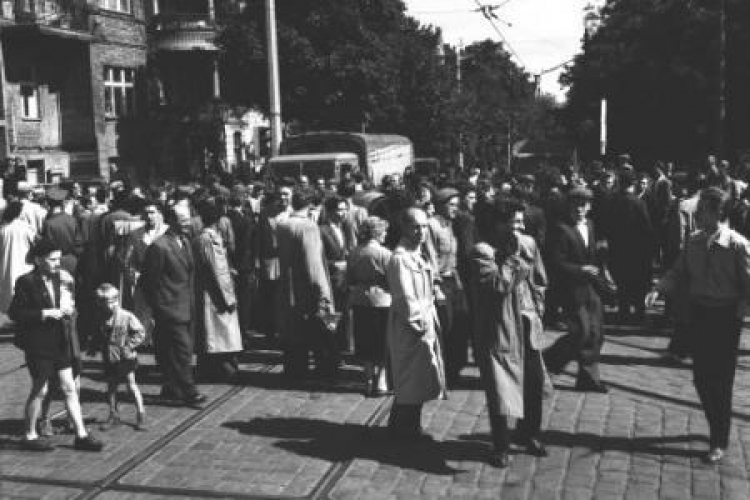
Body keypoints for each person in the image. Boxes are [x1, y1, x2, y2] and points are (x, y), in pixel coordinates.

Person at [646, 187, 750, 464]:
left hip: (726, 318)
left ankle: (719, 439)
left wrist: (739, 314)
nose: (697, 213)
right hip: (700, 315)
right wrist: (658, 289)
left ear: (718, 212)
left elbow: (748, 286)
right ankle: (717, 427)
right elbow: (678, 271)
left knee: (721, 381)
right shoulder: (693, 241)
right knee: (701, 378)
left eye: (703, 209)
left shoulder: (738, 244)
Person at [470, 199, 548, 468]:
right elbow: (497, 285)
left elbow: (539, 279)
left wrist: (538, 308)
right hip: (499, 328)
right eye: (513, 222)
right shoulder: (483, 251)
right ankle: (500, 444)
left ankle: (530, 433)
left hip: (527, 322)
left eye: (520, 222)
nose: (519, 227)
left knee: (534, 383)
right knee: (500, 388)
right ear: (497, 224)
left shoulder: (527, 243)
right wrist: (513, 259)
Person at [9, 238, 104, 452]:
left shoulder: (60, 278)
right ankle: (30, 434)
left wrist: (68, 308)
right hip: (39, 344)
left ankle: (81, 434)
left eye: (58, 259)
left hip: (60, 340)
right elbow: (15, 312)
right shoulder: (26, 281)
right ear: (38, 259)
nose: (56, 263)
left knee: (70, 387)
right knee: (40, 390)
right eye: (52, 259)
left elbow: (67, 299)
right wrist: (44, 313)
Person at [386, 208, 446, 442]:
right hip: (411, 328)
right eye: (416, 227)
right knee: (409, 381)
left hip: (425, 323)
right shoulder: (400, 259)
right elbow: (404, 299)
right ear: (405, 228)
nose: (421, 232)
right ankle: (403, 432)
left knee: (420, 380)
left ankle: (409, 427)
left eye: (424, 227)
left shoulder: (419, 254)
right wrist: (420, 326)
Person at [142, 196, 207, 407]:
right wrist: (158, 308)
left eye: (188, 218)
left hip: (186, 306)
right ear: (172, 220)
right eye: (183, 219)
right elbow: (148, 281)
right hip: (169, 308)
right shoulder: (159, 247)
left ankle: (171, 386)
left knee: (175, 350)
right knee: (182, 350)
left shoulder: (185, 241)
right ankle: (189, 391)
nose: (188, 222)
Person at [544, 187, 608, 393]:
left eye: (584, 205)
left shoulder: (590, 225)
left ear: (589, 207)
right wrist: (580, 270)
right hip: (570, 288)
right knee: (580, 331)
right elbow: (555, 262)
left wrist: (602, 266)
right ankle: (546, 364)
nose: (580, 209)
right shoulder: (560, 228)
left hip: (591, 286)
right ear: (569, 205)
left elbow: (595, 254)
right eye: (576, 204)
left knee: (596, 332)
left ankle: (588, 378)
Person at [276, 189, 339, 380]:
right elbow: (313, 265)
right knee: (321, 329)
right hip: (306, 289)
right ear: (311, 206)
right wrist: (323, 292)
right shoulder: (309, 227)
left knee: (294, 333)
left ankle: (294, 370)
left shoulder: (282, 224)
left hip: (288, 286)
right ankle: (323, 371)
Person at [193, 201, 243, 383]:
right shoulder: (210, 239)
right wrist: (229, 298)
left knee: (211, 335)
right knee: (220, 335)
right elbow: (218, 271)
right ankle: (223, 370)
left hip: (206, 292)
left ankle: (210, 368)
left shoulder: (200, 237)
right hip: (215, 296)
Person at [89, 283, 146, 431]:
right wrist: (93, 346)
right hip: (109, 357)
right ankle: (113, 414)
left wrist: (129, 345)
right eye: (104, 303)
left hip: (125, 357)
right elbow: (97, 334)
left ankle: (140, 413)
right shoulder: (99, 316)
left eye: (112, 302)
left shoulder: (126, 316)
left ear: (117, 300)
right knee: (111, 387)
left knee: (131, 385)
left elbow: (140, 332)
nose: (109, 306)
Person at [347, 216, 392, 397]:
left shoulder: (355, 252)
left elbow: (350, 278)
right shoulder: (385, 254)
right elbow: (391, 279)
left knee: (364, 341)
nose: (386, 235)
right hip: (382, 300)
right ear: (378, 232)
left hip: (360, 298)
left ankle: (367, 379)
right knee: (381, 341)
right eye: (384, 232)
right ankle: (381, 380)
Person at [0, 201, 35, 315]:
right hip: (25, 265)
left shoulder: (3, 230)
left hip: (6, 266)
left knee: (8, 292)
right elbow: (36, 245)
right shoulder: (26, 228)